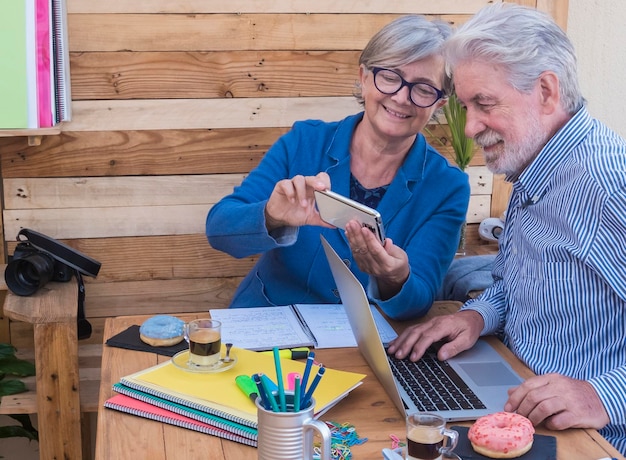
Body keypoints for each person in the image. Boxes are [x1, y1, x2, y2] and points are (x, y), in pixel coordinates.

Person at [387, 3, 626, 454]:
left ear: (547, 92)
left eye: (485, 104)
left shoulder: (605, 183)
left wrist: (603, 395)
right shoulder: (535, 163)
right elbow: (516, 283)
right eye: (464, 106)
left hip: (585, 438)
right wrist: (478, 316)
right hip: (514, 393)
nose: (472, 126)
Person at [206, 15, 470, 320]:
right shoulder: (304, 142)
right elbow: (219, 231)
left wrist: (394, 278)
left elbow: (419, 299)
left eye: (423, 89)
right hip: (268, 324)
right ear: (364, 76)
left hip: (360, 345)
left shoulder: (448, 187)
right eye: (389, 76)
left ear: (439, 102)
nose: (401, 97)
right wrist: (271, 216)